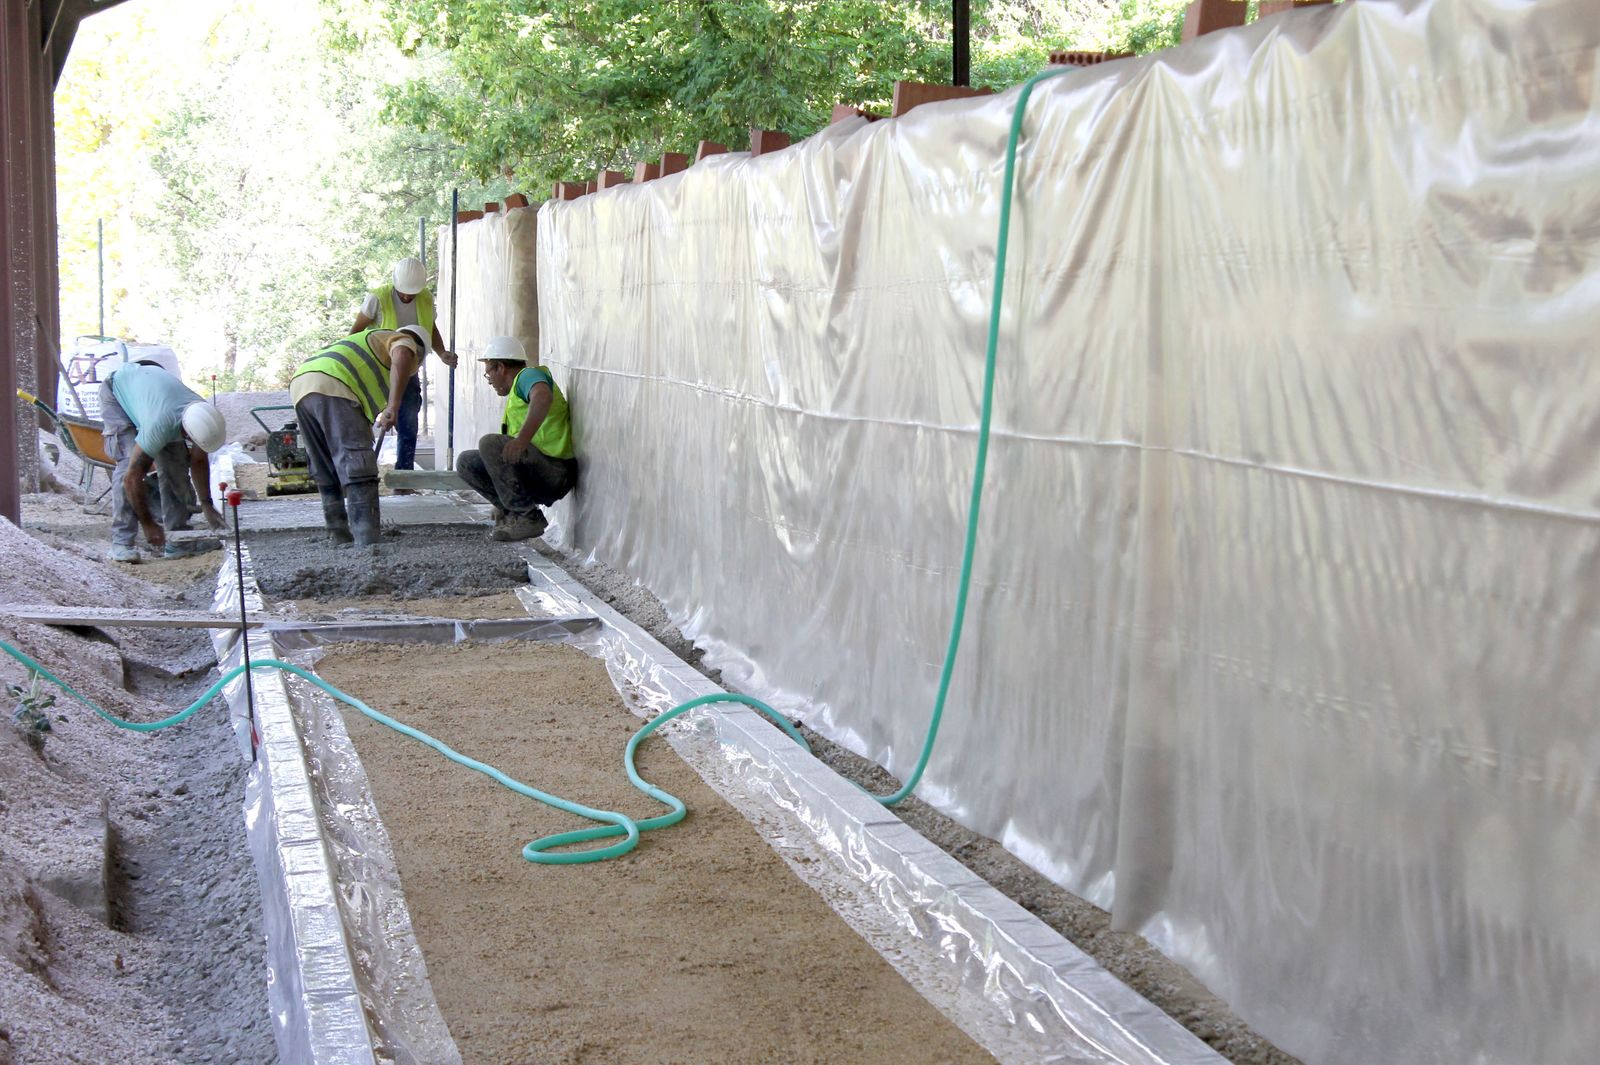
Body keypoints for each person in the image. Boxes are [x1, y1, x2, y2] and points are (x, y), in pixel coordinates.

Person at [289, 324, 427, 548]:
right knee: (358, 465)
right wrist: (393, 405)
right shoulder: (405, 341)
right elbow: (402, 352)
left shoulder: (368, 344)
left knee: (324, 466)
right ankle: (367, 540)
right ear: (418, 356)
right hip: (335, 383)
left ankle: (338, 534)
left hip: (301, 385)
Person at [99, 362, 228, 563]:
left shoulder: (203, 415)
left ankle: (178, 540)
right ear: (186, 432)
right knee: (127, 462)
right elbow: (132, 479)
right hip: (118, 393)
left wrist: (207, 505)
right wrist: (148, 524)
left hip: (156, 400)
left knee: (175, 465)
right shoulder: (160, 426)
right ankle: (121, 543)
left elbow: (198, 461)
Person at [456, 336, 577, 541]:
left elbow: (542, 396)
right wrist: (500, 501)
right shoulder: (517, 394)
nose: (490, 382)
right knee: (466, 462)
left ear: (501, 367)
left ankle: (527, 517)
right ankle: (515, 514)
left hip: (555, 470)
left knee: (490, 443)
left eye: (489, 374)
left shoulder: (527, 376)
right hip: (539, 471)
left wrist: (521, 440)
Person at [350, 257, 458, 470]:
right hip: (377, 371)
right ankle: (358, 469)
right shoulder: (378, 298)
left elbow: (432, 329)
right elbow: (355, 333)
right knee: (364, 418)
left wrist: (442, 352)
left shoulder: (425, 298)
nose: (408, 296)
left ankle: (404, 473)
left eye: (412, 292)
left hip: (408, 371)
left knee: (408, 422)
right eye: (403, 292)